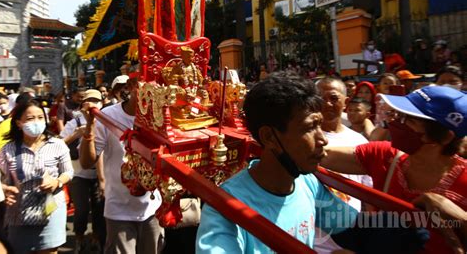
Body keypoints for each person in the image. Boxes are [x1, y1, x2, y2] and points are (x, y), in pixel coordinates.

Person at [196, 72, 428, 254]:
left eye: (320, 125)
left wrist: (420, 220)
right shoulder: (224, 211)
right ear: (269, 137)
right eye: (309, 128)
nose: (323, 139)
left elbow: (357, 231)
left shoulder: (308, 184)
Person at [322, 86, 467, 254]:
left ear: (444, 137)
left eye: (409, 119)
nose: (396, 123)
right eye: (399, 115)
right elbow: (318, 155)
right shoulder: (384, 157)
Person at [79, 76, 164, 254]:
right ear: (133, 86)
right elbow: (87, 162)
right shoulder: (108, 116)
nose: (153, 95)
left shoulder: (161, 118)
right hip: (120, 210)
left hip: (153, 209)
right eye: (149, 88)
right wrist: (90, 126)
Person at [0, 99, 74, 253]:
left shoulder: (57, 144)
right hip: (19, 214)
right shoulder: (8, 150)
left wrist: (57, 182)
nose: (37, 122)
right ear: (18, 123)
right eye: (30, 119)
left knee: (49, 250)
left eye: (40, 118)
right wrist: (3, 189)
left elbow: (68, 172)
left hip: (51, 210)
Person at [314, 77, 373, 253]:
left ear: (346, 102)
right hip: (313, 237)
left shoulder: (360, 141)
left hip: (350, 233)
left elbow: (368, 195)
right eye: (320, 98)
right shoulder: (303, 139)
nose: (327, 104)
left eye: (333, 98)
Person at [60, 89, 105, 253]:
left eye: (97, 100)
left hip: (101, 174)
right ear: (82, 105)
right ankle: (79, 238)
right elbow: (58, 146)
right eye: (89, 100)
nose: (94, 104)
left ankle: (97, 238)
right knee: (82, 210)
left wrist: (103, 179)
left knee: (100, 209)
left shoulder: (106, 121)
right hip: (78, 173)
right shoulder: (74, 123)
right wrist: (74, 135)